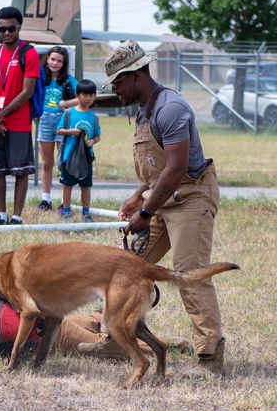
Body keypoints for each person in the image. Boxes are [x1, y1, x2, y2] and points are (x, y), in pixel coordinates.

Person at [105, 40, 227, 378]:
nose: (114, 90)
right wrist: (138, 195)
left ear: (136, 76)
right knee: (127, 270)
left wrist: (144, 214)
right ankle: (119, 337)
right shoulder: (143, 107)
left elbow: (175, 169)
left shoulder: (170, 108)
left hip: (191, 197)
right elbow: (157, 170)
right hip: (164, 195)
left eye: (117, 82)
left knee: (189, 274)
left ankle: (209, 356)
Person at [0, 294, 191, 359]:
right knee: (88, 321)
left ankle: (167, 345)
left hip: (46, 334)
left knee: (104, 349)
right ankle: (103, 313)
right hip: (45, 313)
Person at [0, 6, 39, 226]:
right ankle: (1, 215)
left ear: (19, 27)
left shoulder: (28, 53)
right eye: (2, 28)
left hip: (18, 121)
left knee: (20, 170)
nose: (6, 32)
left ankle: (16, 217)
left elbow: (27, 91)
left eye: (11, 28)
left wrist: (1, 114)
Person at [36, 45, 78, 211]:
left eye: (59, 61)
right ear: (47, 59)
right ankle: (45, 199)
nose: (55, 63)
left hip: (63, 123)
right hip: (45, 121)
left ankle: (64, 200)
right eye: (53, 59)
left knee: (63, 162)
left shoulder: (68, 80)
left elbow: (82, 97)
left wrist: (66, 103)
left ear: (64, 63)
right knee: (47, 162)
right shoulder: (41, 78)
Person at [55, 79, 100, 222]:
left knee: (86, 186)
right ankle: (66, 211)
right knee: (67, 185)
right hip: (69, 157)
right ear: (77, 95)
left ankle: (86, 212)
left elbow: (97, 135)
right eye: (84, 95)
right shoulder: (69, 113)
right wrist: (71, 131)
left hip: (86, 158)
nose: (88, 98)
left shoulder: (94, 117)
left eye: (91, 95)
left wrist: (93, 140)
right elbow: (59, 130)